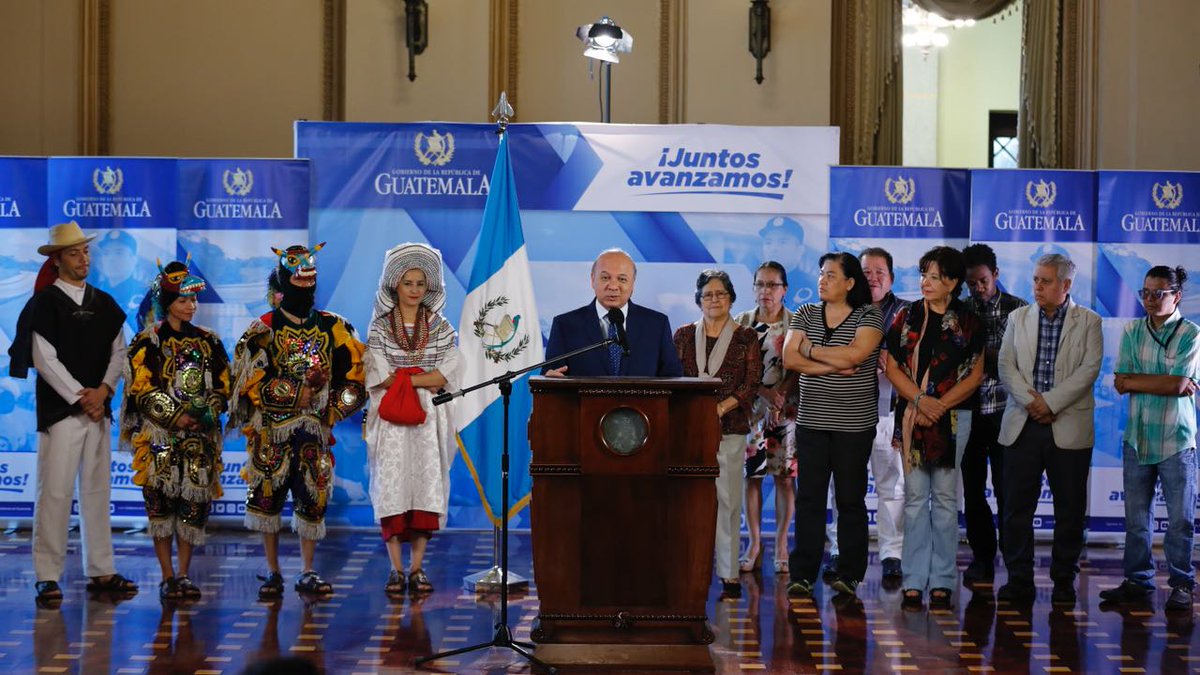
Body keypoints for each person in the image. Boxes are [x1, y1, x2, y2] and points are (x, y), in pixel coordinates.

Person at [228, 242, 368, 599]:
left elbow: (356, 379)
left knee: (313, 498)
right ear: (282, 283)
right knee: (267, 499)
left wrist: (329, 407)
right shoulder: (264, 328)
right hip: (271, 432)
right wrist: (293, 395)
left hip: (314, 432)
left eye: (310, 282)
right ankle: (272, 570)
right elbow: (245, 381)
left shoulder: (333, 327)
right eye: (297, 281)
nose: (304, 287)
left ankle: (308, 570)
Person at [23, 221, 138, 603]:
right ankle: (47, 574)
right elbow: (44, 358)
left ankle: (102, 569)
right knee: (54, 493)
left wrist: (104, 391)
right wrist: (80, 396)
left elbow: (119, 352)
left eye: (86, 251)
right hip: (62, 413)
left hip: (97, 412)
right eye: (74, 253)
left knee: (97, 491)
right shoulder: (44, 303)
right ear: (57, 260)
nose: (83, 258)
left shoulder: (103, 303)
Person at [120, 259, 230, 601]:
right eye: (183, 300)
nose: (191, 306)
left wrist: (208, 411)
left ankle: (183, 574)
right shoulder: (148, 342)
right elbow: (141, 387)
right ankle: (167, 575)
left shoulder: (209, 342)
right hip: (161, 437)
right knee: (161, 507)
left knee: (193, 506)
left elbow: (224, 384)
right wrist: (177, 416)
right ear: (167, 303)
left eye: (194, 301)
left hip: (200, 438)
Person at [997, 253, 1102, 605]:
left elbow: (1089, 370)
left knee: (1069, 511)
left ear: (1066, 285)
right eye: (1036, 280)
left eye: (1045, 281)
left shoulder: (1089, 321)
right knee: (1015, 509)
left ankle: (1063, 581)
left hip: (1067, 426)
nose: (1037, 287)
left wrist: (1051, 403)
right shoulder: (1017, 317)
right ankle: (1019, 580)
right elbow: (1006, 365)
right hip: (1022, 425)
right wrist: (1033, 403)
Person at [884, 247, 985, 608]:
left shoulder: (970, 319)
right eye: (924, 274)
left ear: (953, 282)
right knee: (913, 500)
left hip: (954, 416)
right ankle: (913, 579)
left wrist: (939, 405)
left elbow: (975, 375)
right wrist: (920, 401)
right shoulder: (906, 316)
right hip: (913, 415)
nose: (926, 282)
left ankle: (942, 580)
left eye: (935, 276)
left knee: (944, 500)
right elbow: (891, 366)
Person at [783, 252, 884, 599]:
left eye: (830, 275)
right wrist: (833, 364)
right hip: (811, 422)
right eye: (821, 274)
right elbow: (789, 358)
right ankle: (803, 574)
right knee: (809, 499)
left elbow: (857, 356)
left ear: (850, 283)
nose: (821, 280)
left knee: (850, 500)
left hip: (853, 426)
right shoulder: (805, 312)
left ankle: (849, 573)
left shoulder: (869, 315)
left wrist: (811, 349)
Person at [364, 244, 461, 597]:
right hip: (390, 418)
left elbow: (447, 374)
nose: (415, 289)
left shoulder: (440, 326)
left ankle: (417, 569)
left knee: (424, 488)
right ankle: (395, 570)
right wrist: (419, 376)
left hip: (428, 419)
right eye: (408, 282)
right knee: (392, 489)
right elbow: (378, 374)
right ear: (395, 286)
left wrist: (408, 379)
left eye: (421, 282)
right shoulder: (379, 327)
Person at [1100, 266, 1199, 612]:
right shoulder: (1131, 330)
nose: (1150, 299)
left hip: (1176, 440)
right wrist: (1168, 383)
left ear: (1176, 296)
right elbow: (1121, 382)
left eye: (1159, 293)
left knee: (1180, 520)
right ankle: (1137, 581)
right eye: (1145, 292)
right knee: (1137, 520)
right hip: (1137, 438)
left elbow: (1176, 385)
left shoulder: (1191, 333)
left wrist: (1150, 382)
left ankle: (1182, 583)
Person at [674, 270, 762, 599]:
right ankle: (689, 569)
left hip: (730, 428)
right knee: (689, 502)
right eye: (708, 294)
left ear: (732, 298)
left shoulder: (746, 337)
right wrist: (697, 413)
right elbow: (672, 378)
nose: (715, 299)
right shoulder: (682, 335)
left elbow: (751, 383)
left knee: (727, 501)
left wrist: (720, 408)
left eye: (721, 294)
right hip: (689, 431)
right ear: (698, 300)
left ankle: (728, 573)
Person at [960, 243, 1027, 585]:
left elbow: (1016, 364)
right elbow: (959, 361)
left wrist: (983, 357)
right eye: (972, 283)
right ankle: (982, 558)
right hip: (969, 413)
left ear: (996, 274)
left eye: (983, 280)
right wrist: (992, 357)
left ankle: (1015, 564)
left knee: (1008, 491)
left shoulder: (1020, 310)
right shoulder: (959, 311)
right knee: (973, 493)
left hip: (1007, 412)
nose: (978, 288)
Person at [736, 262, 798, 576]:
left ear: (784, 289)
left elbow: (801, 366)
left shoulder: (797, 322)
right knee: (753, 478)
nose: (766, 291)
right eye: (760, 284)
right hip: (751, 412)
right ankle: (755, 543)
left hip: (786, 412)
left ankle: (784, 543)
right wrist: (762, 392)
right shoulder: (742, 324)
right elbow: (736, 371)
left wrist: (781, 394)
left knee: (785, 478)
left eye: (772, 285)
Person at [544, 248, 683, 377]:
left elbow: (672, 377)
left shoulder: (656, 324)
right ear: (593, 280)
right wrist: (549, 378)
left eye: (622, 279)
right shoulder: (565, 325)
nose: (613, 286)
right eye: (605, 278)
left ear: (633, 283)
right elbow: (551, 375)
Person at [859, 246, 910, 581]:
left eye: (879, 271)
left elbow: (919, 361)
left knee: (891, 486)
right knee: (846, 486)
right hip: (849, 411)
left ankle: (892, 552)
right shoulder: (844, 310)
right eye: (866, 272)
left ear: (891, 277)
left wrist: (892, 364)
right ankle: (841, 550)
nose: (873, 277)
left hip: (890, 412)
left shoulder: (908, 313)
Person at [758, 217, 817, 308]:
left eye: (783, 242)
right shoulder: (754, 284)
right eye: (768, 242)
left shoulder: (812, 288)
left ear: (800, 250)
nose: (774, 248)